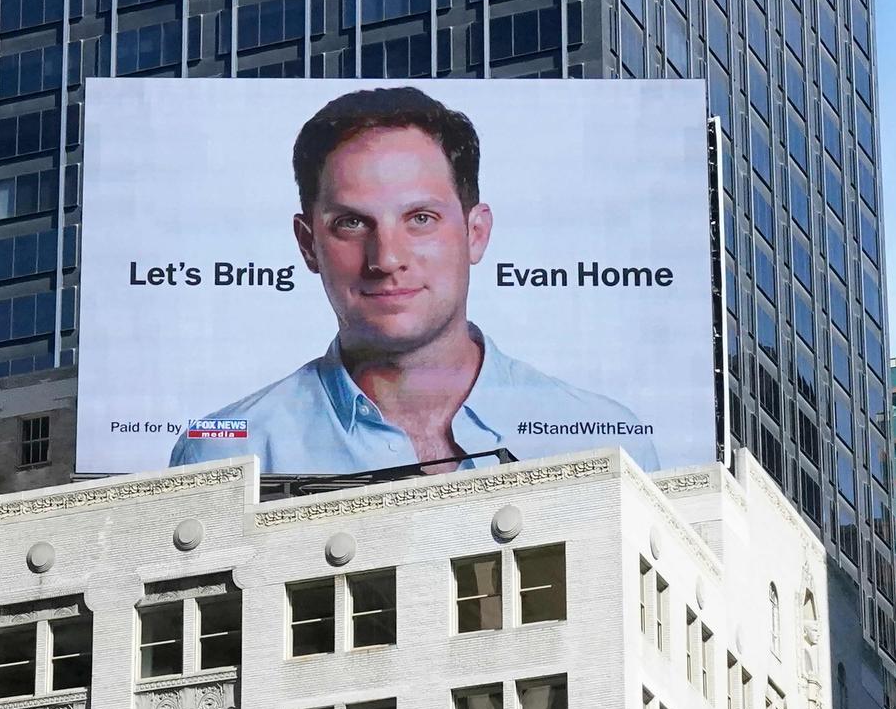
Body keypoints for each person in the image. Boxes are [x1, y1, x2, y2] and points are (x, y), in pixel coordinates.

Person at [169, 86, 658, 474]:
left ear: (476, 233)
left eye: (420, 218)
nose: (386, 258)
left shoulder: (606, 440)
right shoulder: (225, 453)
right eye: (352, 223)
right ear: (306, 244)